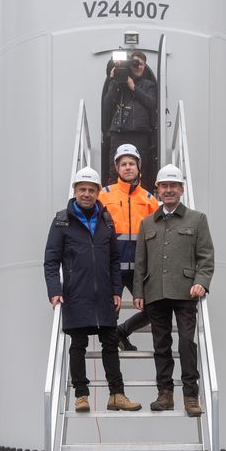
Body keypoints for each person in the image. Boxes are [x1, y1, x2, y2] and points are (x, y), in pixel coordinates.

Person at [44, 166, 142, 413]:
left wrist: (117, 290)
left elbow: (113, 260)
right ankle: (81, 395)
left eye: (91, 190)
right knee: (78, 345)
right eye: (82, 189)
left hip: (104, 296)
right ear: (75, 191)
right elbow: (51, 260)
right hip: (76, 295)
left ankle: (117, 395)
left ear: (98, 192)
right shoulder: (61, 221)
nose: (86, 194)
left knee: (110, 343)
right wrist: (55, 289)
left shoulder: (106, 221)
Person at [133, 164, 214, 417]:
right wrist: (138, 293)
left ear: (181, 189)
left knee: (186, 343)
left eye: (173, 186)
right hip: (155, 292)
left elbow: (206, 257)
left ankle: (191, 396)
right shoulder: (147, 223)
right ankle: (164, 395)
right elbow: (141, 262)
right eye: (164, 186)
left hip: (186, 293)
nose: (168, 190)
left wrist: (202, 281)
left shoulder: (197, 219)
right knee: (161, 345)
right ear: (157, 190)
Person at [98, 144, 159, 351]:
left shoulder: (150, 200)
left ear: (138, 166)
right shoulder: (103, 195)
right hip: (112, 267)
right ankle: (111, 353)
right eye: (123, 164)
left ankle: (123, 331)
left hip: (140, 269)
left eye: (131, 163)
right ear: (117, 168)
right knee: (109, 313)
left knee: (154, 310)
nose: (127, 167)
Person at [103, 50, 157, 190]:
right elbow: (107, 104)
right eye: (134, 63)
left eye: (141, 64)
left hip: (140, 134)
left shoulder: (148, 85)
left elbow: (152, 104)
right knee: (114, 171)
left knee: (141, 170)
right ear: (129, 65)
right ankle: (111, 201)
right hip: (118, 133)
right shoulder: (118, 84)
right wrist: (113, 81)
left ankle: (142, 201)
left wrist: (133, 87)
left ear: (145, 66)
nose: (138, 66)